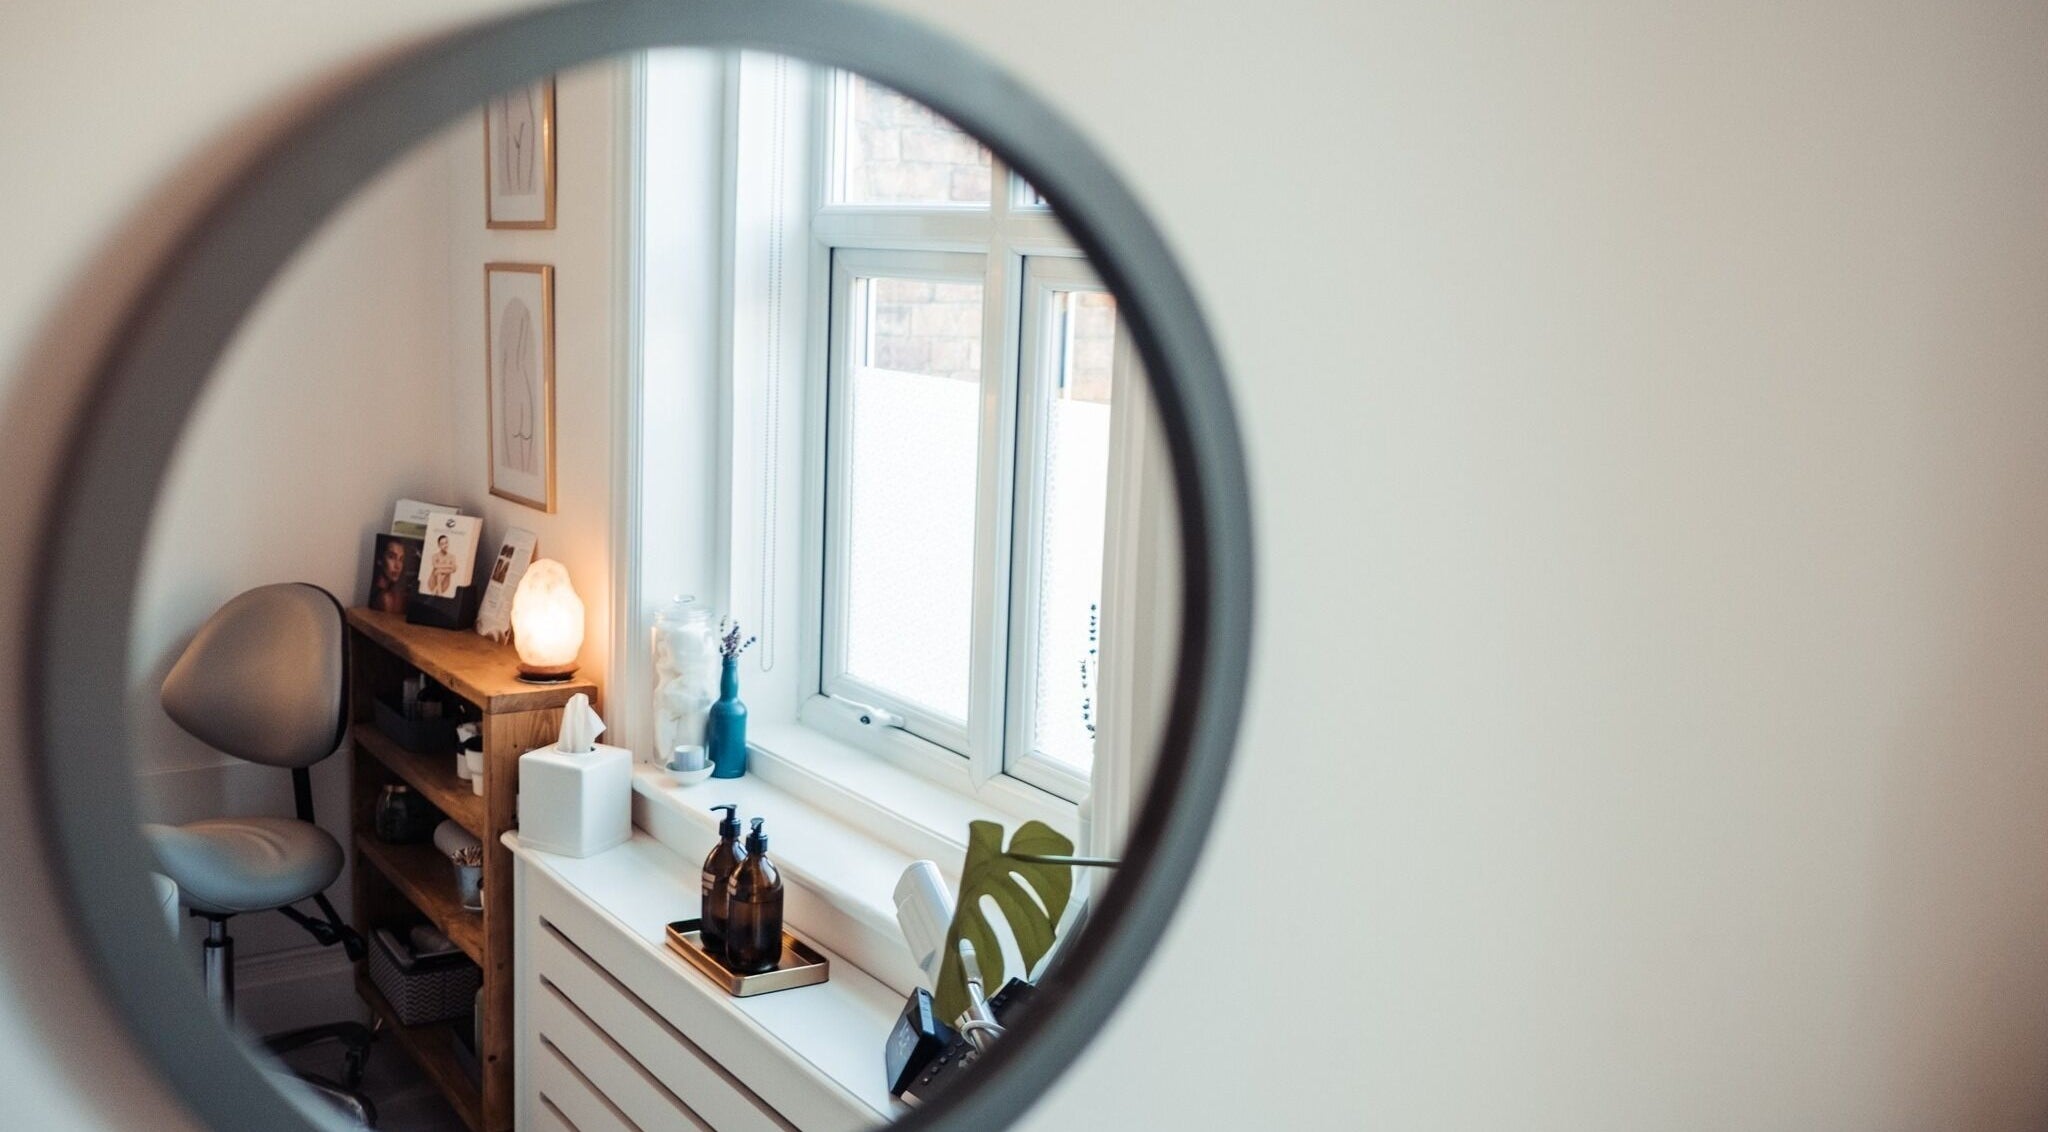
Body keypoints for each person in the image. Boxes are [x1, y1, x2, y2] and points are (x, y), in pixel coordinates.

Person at [368, 536, 412, 614]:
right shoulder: (385, 598)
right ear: (380, 559)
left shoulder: (395, 595)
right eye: (391, 557)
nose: (398, 566)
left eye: (401, 559)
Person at [424, 534, 458, 598]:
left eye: (446, 542)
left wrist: (440, 569)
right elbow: (435, 565)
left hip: (445, 583)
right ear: (439, 545)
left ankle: (436, 590)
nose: (445, 545)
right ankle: (438, 591)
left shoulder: (452, 556)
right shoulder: (435, 555)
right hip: (433, 581)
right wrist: (449, 566)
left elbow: (455, 568)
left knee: (439, 571)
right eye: (442, 544)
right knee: (439, 571)